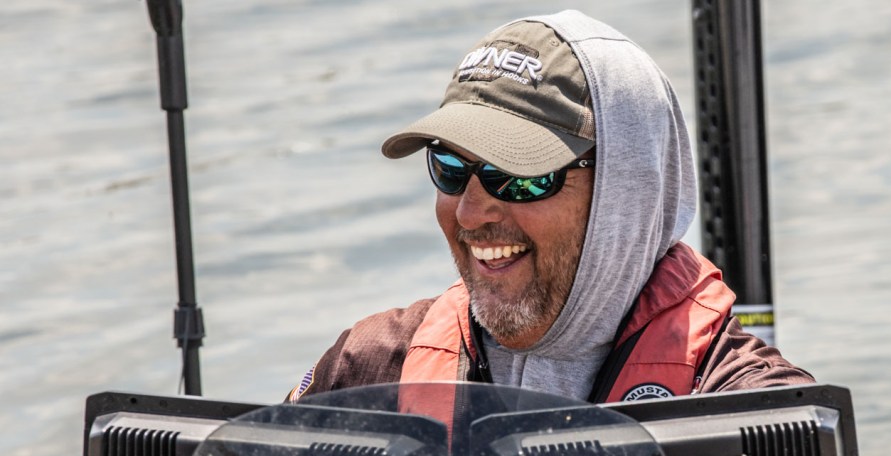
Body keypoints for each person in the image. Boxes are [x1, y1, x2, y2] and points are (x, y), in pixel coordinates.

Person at [288, 9, 812, 405]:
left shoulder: (752, 405)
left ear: (625, 189)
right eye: (450, 167)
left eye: (518, 177)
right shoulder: (362, 374)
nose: (470, 213)